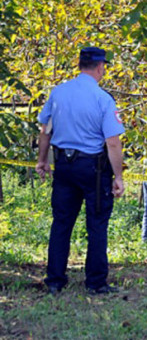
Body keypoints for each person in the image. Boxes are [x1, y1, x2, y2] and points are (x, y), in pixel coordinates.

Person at [35, 46, 125, 295]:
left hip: (64, 166)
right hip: (93, 170)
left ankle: (54, 280)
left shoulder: (58, 93)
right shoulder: (103, 99)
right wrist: (118, 176)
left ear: (80, 65)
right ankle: (95, 283)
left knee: (62, 223)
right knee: (96, 224)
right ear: (100, 67)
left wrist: (43, 161)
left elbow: (45, 131)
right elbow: (113, 142)